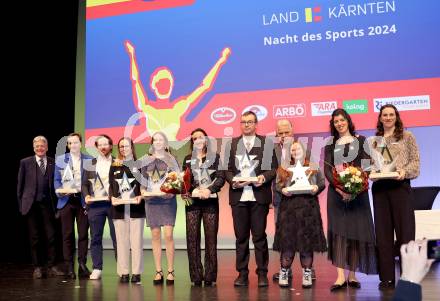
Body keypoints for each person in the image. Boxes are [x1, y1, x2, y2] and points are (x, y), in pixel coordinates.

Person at [124, 41, 231, 141]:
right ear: (154, 86)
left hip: (174, 153)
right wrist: (132, 55)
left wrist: (220, 61)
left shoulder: (178, 108)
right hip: (155, 156)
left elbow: (204, 86)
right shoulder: (148, 109)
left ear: (171, 86)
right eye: (161, 83)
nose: (164, 86)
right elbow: (135, 80)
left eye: (167, 83)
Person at [324, 108, 377, 291]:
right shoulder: (330, 144)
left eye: (342, 120)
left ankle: (352, 276)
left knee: (355, 235)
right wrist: (341, 189)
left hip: (358, 195)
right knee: (339, 234)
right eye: (336, 121)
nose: (339, 123)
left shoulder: (361, 141)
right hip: (336, 196)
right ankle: (340, 277)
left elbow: (367, 166)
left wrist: (356, 188)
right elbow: (327, 170)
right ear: (333, 124)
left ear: (348, 121)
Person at [225, 111, 277, 287]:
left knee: (259, 237)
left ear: (256, 124)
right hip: (238, 196)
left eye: (249, 122)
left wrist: (263, 178)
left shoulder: (266, 143)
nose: (246, 125)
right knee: (241, 238)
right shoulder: (231, 144)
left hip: (259, 195)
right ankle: (242, 274)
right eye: (243, 122)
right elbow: (226, 169)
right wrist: (233, 181)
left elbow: (274, 169)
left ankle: (262, 274)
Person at [370, 104, 420, 290]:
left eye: (392, 114)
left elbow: (416, 162)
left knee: (406, 233)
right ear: (380, 118)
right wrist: (371, 172)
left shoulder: (407, 137)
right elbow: (370, 166)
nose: (388, 117)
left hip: (400, 188)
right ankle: (387, 278)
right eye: (385, 115)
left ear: (396, 117)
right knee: (383, 235)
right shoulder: (374, 141)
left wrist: (404, 171)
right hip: (380, 190)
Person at [275, 141, 327, 288]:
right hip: (288, 209)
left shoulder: (313, 166)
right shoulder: (284, 167)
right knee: (288, 242)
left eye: (298, 148)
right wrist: (282, 190)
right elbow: (278, 185)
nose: (295, 150)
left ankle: (307, 273)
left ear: (304, 150)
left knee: (306, 243)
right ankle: (284, 271)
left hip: (308, 209)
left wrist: (316, 187)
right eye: (293, 149)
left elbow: (322, 183)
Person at [182, 128, 225, 286]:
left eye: (200, 137)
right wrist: (192, 189)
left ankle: (210, 276)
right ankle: (196, 276)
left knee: (210, 240)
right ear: (192, 142)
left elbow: (221, 178)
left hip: (210, 201)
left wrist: (209, 190)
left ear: (206, 140)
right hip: (193, 203)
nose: (198, 140)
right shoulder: (187, 159)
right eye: (194, 138)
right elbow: (184, 179)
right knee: (192, 240)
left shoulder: (215, 157)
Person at [17, 136, 65, 278]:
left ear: (47, 147)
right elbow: (20, 186)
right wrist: (21, 205)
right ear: (33, 148)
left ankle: (51, 266)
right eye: (37, 146)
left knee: (51, 236)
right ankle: (37, 267)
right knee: (35, 237)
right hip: (30, 205)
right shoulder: (25, 162)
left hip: (48, 204)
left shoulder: (53, 162)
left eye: (42, 146)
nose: (40, 148)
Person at [141, 131, 180, 285]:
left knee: (168, 235)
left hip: (167, 201)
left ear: (165, 143)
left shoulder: (172, 159)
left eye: (160, 139)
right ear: (152, 143)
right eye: (155, 140)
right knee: (155, 236)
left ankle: (170, 271)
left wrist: (169, 192)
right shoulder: (145, 160)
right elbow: (143, 180)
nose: (158, 142)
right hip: (151, 201)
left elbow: (177, 181)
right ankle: (158, 271)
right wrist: (143, 190)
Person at [54, 133, 92, 279]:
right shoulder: (60, 160)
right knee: (67, 235)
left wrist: (89, 198)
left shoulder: (89, 159)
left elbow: (92, 182)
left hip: (82, 201)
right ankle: (69, 267)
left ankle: (82, 265)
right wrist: (60, 192)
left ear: (80, 144)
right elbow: (56, 180)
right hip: (66, 201)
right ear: (68, 145)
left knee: (83, 234)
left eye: (75, 142)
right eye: (70, 143)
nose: (73, 145)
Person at [109, 137, 145, 283]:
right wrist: (112, 197)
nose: (124, 149)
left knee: (137, 242)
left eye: (126, 146)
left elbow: (144, 184)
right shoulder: (115, 165)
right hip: (118, 208)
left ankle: (137, 273)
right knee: (121, 241)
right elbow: (111, 185)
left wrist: (141, 195)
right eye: (121, 147)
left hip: (136, 207)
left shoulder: (140, 164)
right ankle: (123, 272)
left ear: (132, 147)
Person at [82, 134, 117, 280]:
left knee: (117, 237)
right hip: (95, 206)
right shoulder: (90, 163)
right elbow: (84, 184)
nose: (103, 147)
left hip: (114, 204)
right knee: (95, 237)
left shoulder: (118, 162)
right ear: (96, 147)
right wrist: (86, 196)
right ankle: (97, 268)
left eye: (106, 144)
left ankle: (122, 268)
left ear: (110, 146)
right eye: (100, 145)